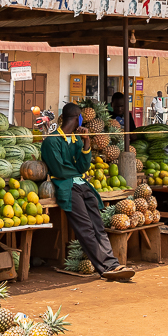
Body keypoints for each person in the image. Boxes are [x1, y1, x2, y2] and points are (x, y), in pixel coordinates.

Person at [41, 103, 134, 280]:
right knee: (86, 228)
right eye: (81, 117)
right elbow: (59, 170)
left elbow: (83, 167)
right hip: (68, 188)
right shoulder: (52, 141)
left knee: (98, 226)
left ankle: (113, 264)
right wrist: (76, 171)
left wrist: (87, 143)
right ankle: (105, 268)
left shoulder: (76, 140)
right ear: (78, 118)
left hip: (83, 186)